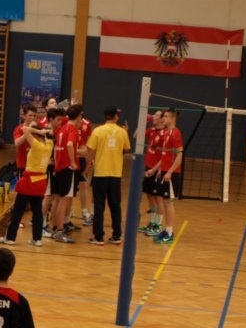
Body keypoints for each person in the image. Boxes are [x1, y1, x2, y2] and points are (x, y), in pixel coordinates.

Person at [2, 120, 53, 246]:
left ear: (36, 135)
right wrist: (42, 132)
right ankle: (37, 239)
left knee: (18, 210)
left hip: (30, 182)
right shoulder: (49, 144)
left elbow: (25, 129)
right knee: (37, 212)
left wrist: (37, 130)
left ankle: (11, 238)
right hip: (41, 182)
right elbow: (48, 134)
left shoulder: (36, 145)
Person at [86, 107, 131, 246]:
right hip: (115, 174)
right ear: (116, 116)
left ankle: (98, 237)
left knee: (99, 206)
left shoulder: (97, 131)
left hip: (100, 173)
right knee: (115, 206)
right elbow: (126, 149)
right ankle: (117, 235)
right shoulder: (122, 132)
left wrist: (86, 169)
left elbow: (91, 151)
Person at [145, 109, 183, 244]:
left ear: (172, 118)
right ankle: (166, 230)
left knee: (168, 202)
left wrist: (170, 171)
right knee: (164, 201)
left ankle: (170, 232)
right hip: (164, 171)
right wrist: (156, 170)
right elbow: (164, 156)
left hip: (171, 173)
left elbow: (180, 155)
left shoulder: (175, 133)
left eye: (166, 117)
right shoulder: (166, 133)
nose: (163, 119)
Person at [46, 105, 81, 243]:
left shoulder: (62, 127)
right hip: (66, 168)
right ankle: (59, 231)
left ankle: (54, 228)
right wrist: (73, 162)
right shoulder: (71, 129)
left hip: (58, 167)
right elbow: (70, 145)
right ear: (79, 116)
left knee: (58, 199)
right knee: (63, 200)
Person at [138, 110, 166, 236]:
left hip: (156, 170)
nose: (153, 116)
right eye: (153, 114)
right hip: (148, 167)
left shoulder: (164, 134)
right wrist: (143, 122)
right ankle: (152, 223)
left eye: (156, 115)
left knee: (158, 197)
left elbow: (165, 156)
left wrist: (155, 169)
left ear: (162, 119)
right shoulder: (152, 130)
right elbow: (136, 136)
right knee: (149, 195)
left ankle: (158, 225)